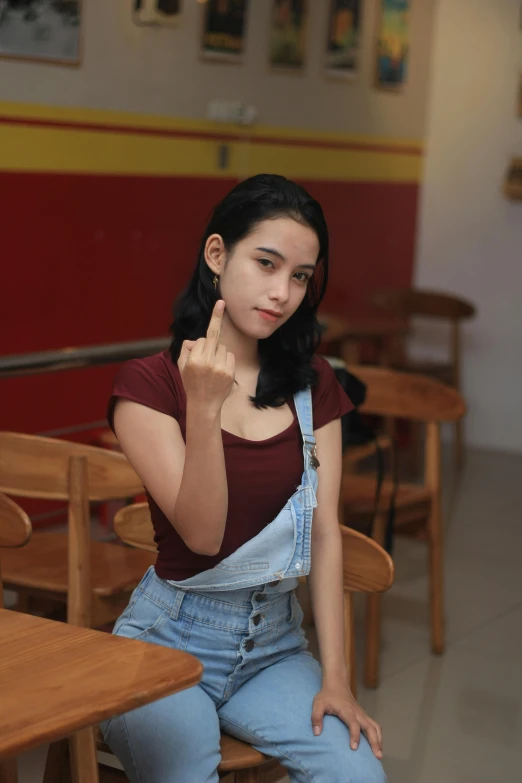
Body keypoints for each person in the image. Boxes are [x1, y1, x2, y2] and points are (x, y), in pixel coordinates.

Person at [101, 174, 386, 783]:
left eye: (301, 276)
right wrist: (203, 408)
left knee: (358, 774)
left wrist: (336, 678)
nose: (282, 292)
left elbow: (325, 531)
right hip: (169, 637)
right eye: (266, 262)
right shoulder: (148, 386)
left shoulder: (314, 383)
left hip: (276, 645)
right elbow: (203, 537)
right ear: (216, 255)